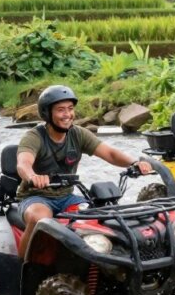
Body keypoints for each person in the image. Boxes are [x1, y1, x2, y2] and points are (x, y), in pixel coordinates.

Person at [15, 85, 152, 258]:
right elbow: (23, 163)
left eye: (70, 109)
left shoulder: (78, 134)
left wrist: (135, 163)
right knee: (40, 219)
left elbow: (110, 153)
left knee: (98, 217)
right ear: (47, 113)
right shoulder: (34, 136)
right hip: (35, 197)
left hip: (67, 197)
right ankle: (22, 266)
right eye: (61, 110)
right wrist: (32, 176)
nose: (67, 114)